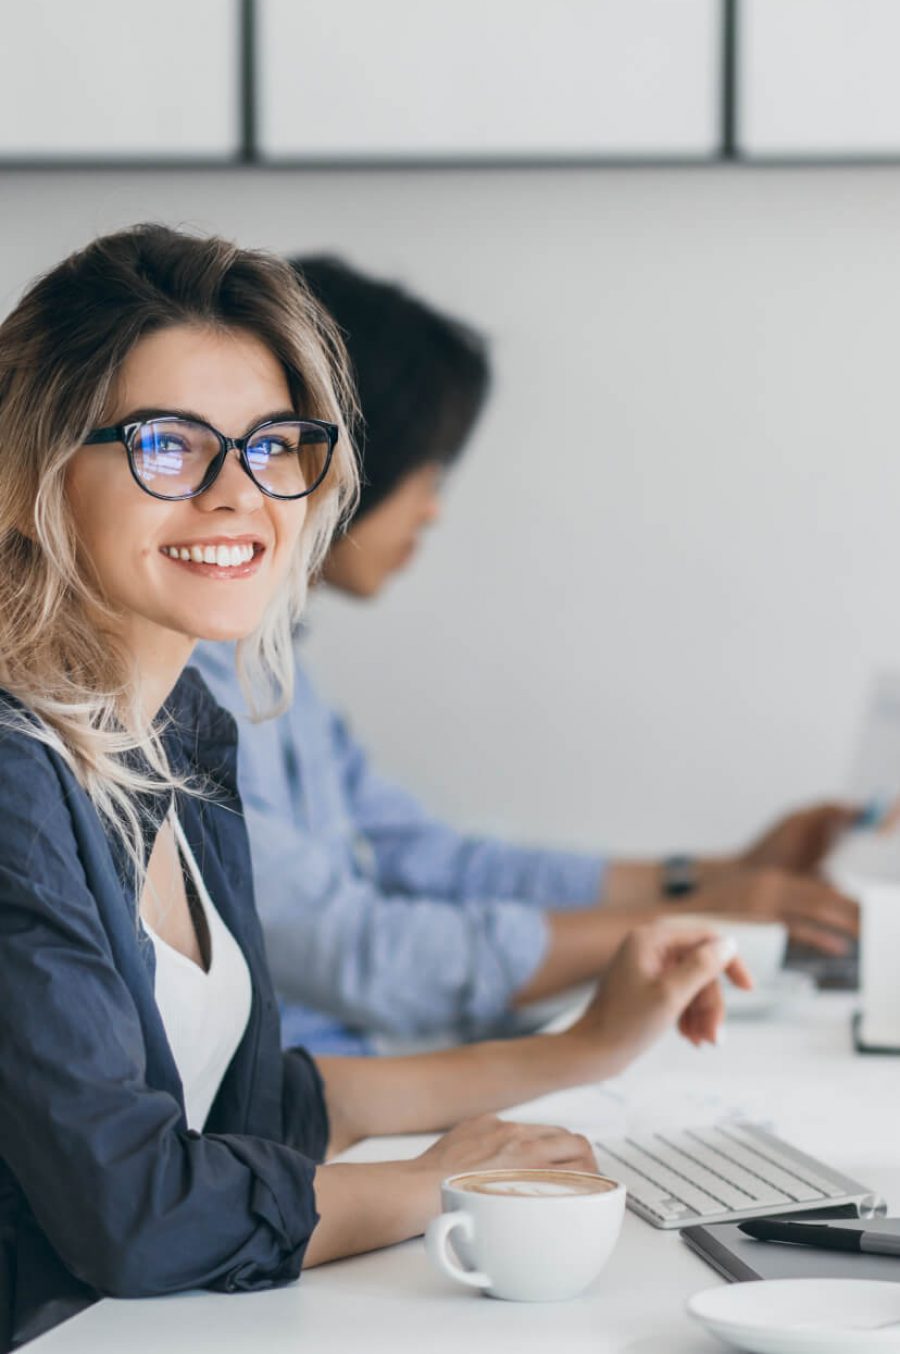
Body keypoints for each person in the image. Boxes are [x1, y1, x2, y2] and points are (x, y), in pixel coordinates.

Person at [0, 224, 751, 1350]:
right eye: (169, 445)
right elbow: (138, 1212)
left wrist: (584, 1049)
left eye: (274, 447)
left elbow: (252, 1110)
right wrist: (437, 1186)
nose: (236, 493)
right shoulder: (17, 777)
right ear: (26, 470)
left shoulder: (183, 732)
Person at [194, 257, 859, 1058]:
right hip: (317, 1114)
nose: (434, 507)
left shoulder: (273, 671)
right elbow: (358, 952)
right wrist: (690, 923)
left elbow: (429, 858)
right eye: (426, 467)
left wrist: (709, 880)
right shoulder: (184, 692)